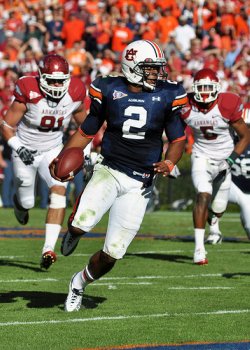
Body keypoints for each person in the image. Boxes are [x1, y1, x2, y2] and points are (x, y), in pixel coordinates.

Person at [50, 39, 188, 312]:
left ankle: (79, 282)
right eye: (150, 68)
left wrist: (170, 161)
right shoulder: (108, 89)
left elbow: (178, 138)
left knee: (113, 252)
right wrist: (64, 157)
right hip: (109, 168)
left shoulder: (167, 95)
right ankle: (74, 230)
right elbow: (88, 130)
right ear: (132, 67)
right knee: (81, 223)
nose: (156, 74)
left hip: (141, 182)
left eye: (157, 68)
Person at [0, 53, 86, 269]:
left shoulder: (75, 92)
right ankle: (21, 206)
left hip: (53, 150)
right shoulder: (28, 89)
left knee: (59, 192)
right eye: (52, 80)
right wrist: (18, 147)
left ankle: (48, 249)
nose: (57, 84)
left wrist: (89, 152)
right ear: (41, 77)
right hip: (25, 149)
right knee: (27, 200)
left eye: (61, 80)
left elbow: (86, 127)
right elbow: (7, 126)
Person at [181, 68, 250, 265]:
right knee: (203, 194)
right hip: (201, 156)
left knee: (219, 208)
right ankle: (199, 249)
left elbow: (246, 136)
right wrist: (172, 160)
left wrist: (230, 160)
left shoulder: (228, 104)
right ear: (194, 88)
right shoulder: (186, 105)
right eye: (200, 88)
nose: (203, 92)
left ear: (217, 88)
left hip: (225, 159)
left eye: (208, 88)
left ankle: (213, 217)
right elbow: (176, 135)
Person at [211, 106, 250, 240]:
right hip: (233, 185)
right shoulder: (228, 142)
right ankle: (214, 232)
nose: (245, 131)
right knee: (207, 190)